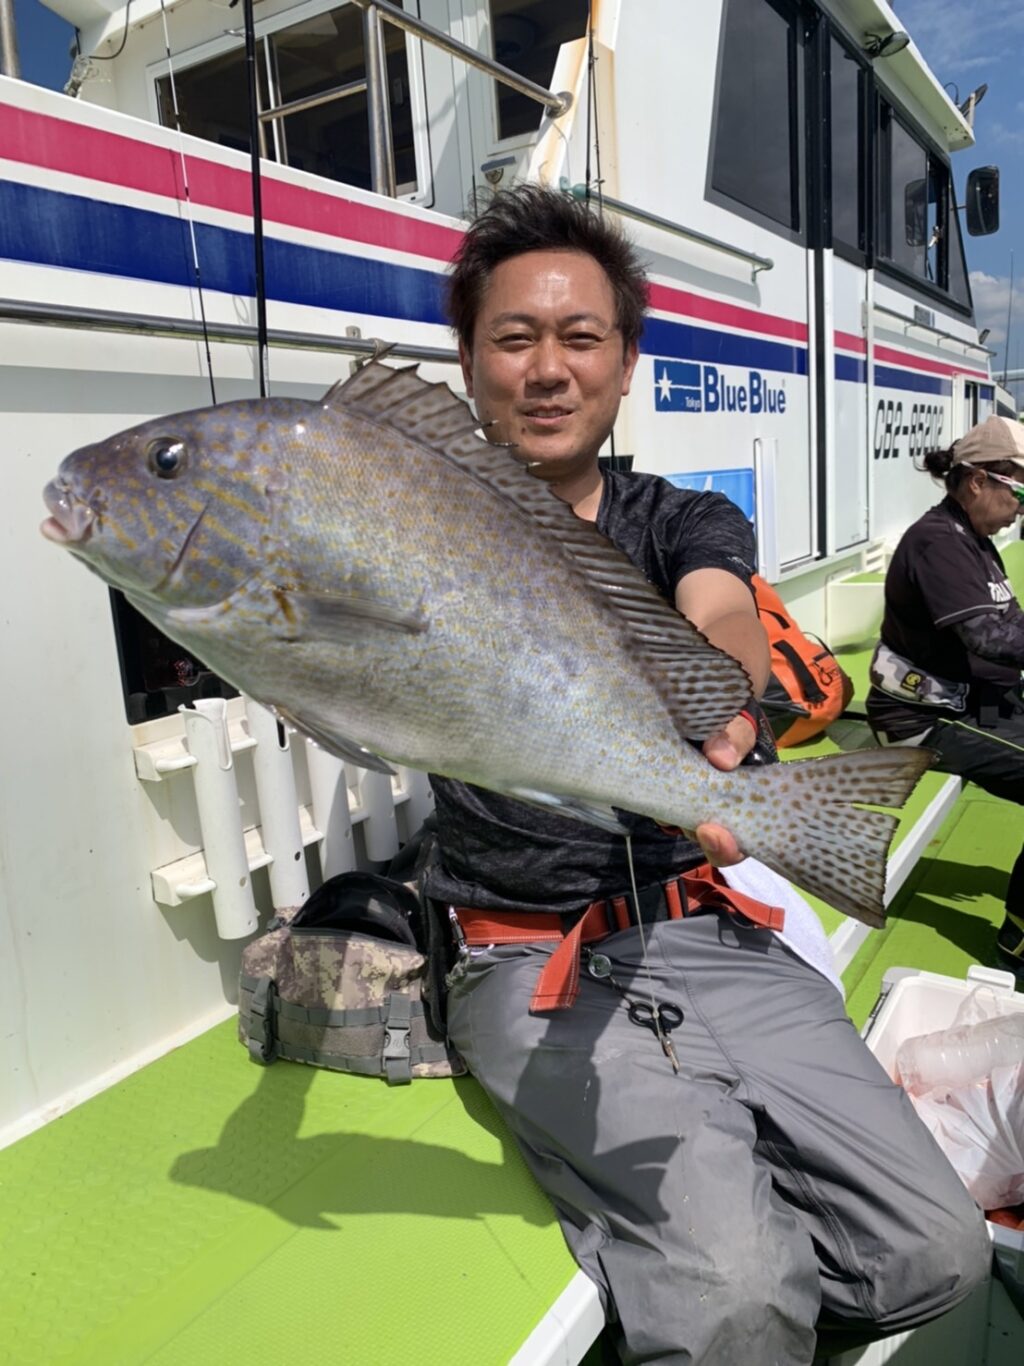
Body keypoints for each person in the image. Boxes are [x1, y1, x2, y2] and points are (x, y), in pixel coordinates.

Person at [423, 185, 989, 1365]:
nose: (547, 368)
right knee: (735, 1294)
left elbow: (723, 609)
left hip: (703, 921)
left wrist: (724, 713)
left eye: (580, 337)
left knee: (942, 1250)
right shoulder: (419, 529)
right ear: (468, 359)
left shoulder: (677, 516)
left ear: (625, 362)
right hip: (529, 954)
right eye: (513, 337)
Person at [867, 418, 1024, 973]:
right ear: (978, 481)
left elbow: (1010, 627)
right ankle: (1018, 941)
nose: (1022, 509)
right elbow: (989, 638)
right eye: (1021, 492)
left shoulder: (975, 540)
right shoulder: (939, 543)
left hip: (976, 698)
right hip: (925, 716)